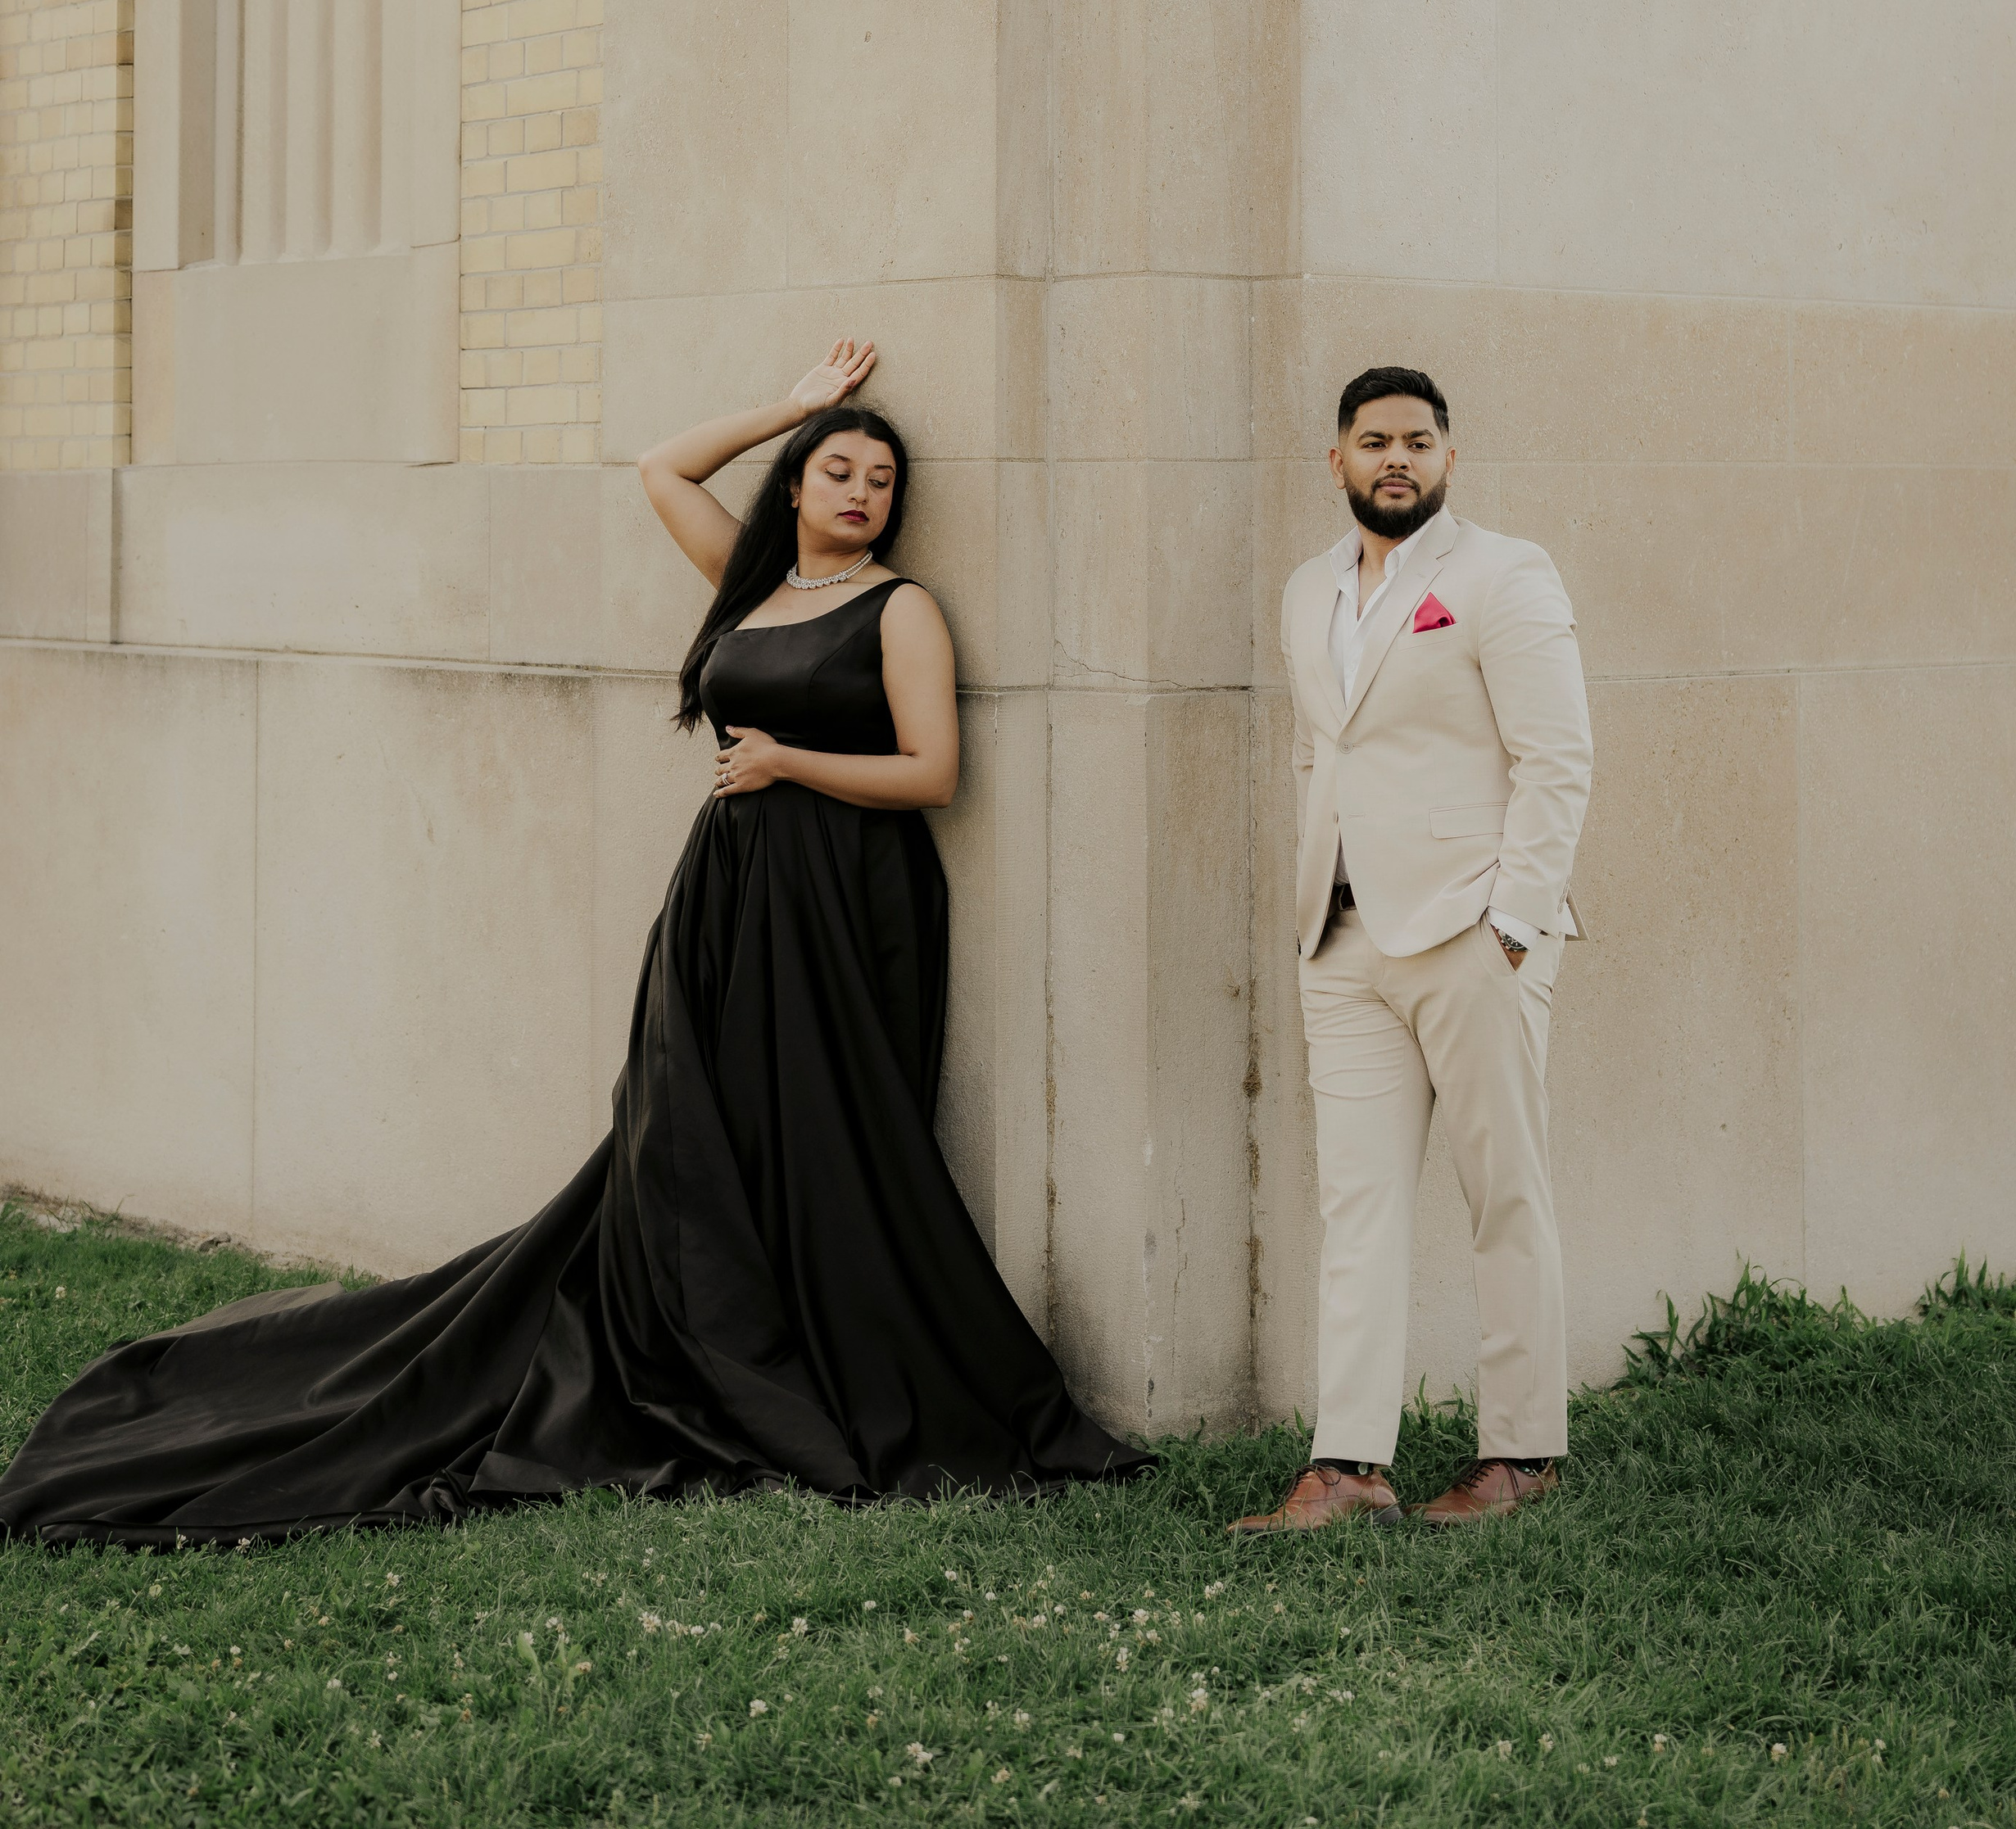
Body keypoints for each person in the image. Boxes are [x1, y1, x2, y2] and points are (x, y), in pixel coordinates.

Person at [0, 339, 1144, 1543]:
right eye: (839, 470)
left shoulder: (901, 607)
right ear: (798, 483)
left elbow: (933, 772)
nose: (862, 492)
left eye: (882, 480)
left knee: (832, 1132)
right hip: (729, 892)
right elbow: (662, 466)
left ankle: (840, 1362)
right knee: (697, 1127)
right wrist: (795, 405)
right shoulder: (751, 581)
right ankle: (726, 1343)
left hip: (848, 897)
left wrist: (788, 760)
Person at [1230, 365, 1591, 1538]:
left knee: (1504, 1193)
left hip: (1471, 934)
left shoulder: (1503, 573)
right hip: (1339, 941)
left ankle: (1520, 1455)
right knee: (1358, 1205)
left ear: (1448, 457)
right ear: (1336, 458)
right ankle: (1348, 1469)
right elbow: (1320, 752)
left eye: (1419, 441)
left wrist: (1513, 925)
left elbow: (1556, 758)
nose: (1398, 457)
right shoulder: (1308, 589)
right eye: (1376, 440)